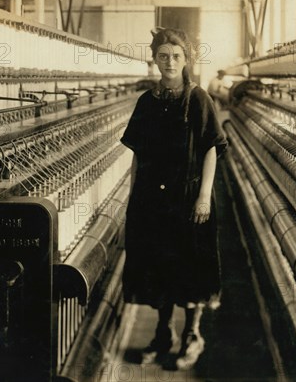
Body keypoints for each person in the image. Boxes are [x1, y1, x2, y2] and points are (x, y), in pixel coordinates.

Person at [120, 27, 228, 370]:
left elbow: (212, 148)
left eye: (176, 57)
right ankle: (163, 333)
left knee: (190, 269)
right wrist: (133, 196)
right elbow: (137, 154)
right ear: (154, 59)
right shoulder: (147, 102)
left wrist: (204, 197)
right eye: (163, 56)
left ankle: (192, 336)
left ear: (186, 60)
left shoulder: (197, 99)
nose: (169, 62)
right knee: (158, 268)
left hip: (188, 199)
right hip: (152, 200)